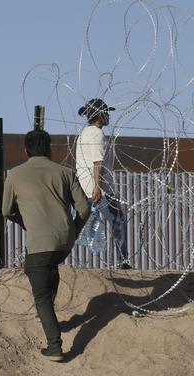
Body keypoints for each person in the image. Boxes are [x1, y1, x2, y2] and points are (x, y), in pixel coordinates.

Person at [3, 130, 91, 361]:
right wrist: (74, 229)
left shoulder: (15, 174)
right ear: (50, 149)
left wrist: (26, 223)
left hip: (40, 243)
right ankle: (49, 313)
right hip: (64, 241)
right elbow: (84, 208)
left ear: (26, 150)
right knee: (49, 268)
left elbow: (6, 211)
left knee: (40, 292)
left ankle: (55, 346)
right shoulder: (65, 172)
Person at [74, 98, 131, 269]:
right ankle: (123, 261)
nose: (107, 116)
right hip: (100, 190)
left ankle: (56, 254)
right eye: (106, 113)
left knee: (78, 225)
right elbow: (98, 163)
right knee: (118, 221)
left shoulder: (84, 133)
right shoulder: (97, 134)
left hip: (84, 187)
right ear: (99, 114)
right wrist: (98, 188)